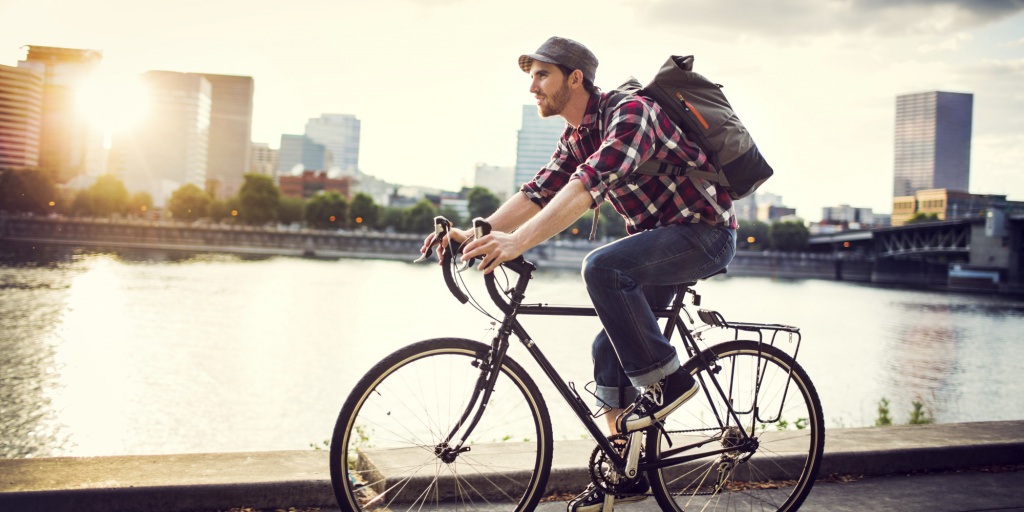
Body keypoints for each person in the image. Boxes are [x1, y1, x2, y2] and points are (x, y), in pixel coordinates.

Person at [421, 36, 737, 512]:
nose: (532, 86)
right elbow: (538, 192)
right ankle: (627, 472)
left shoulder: (631, 113)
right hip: (657, 245)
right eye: (531, 76)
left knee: (602, 267)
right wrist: (475, 233)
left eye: (542, 75)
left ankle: (671, 383)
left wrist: (517, 242)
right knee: (608, 350)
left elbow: (586, 187)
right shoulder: (576, 137)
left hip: (704, 235)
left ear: (575, 78)